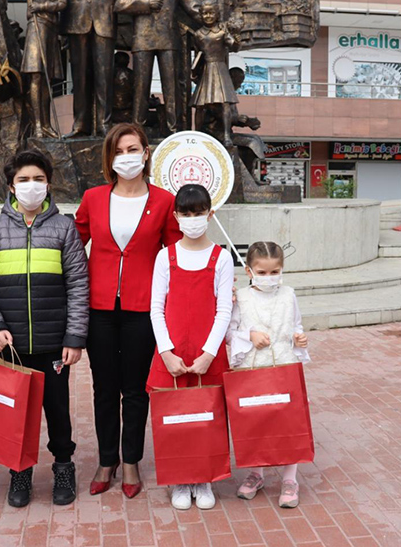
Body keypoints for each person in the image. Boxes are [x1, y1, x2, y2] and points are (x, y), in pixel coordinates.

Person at [0, 150, 89, 508]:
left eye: (38, 178)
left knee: (58, 411)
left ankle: (63, 467)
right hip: (13, 345)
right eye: (23, 180)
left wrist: (74, 337)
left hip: (54, 345)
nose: (31, 186)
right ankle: (19, 471)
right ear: (11, 186)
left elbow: (78, 284)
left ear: (48, 183)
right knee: (16, 412)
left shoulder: (64, 228)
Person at [75, 122, 181, 499]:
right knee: (104, 388)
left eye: (132, 149)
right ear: (109, 158)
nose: (126, 158)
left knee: (135, 390)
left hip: (143, 308)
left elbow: (176, 254)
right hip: (99, 308)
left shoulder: (164, 201)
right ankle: (107, 460)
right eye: (118, 152)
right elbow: (73, 247)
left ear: (146, 153)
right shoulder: (93, 198)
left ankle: (132, 460)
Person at [147, 184, 233, 511]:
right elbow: (156, 308)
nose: (192, 219)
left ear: (210, 215)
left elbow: (224, 310)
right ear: (176, 216)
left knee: (208, 416)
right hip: (172, 354)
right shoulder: (165, 256)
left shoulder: (221, 257)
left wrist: (209, 353)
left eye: (198, 213)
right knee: (175, 417)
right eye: (186, 213)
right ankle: (180, 478)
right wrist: (166, 352)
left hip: (206, 353)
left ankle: (204, 477)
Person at [226, 241, 310, 507]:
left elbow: (296, 324)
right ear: (249, 271)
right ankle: (256, 472)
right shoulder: (242, 297)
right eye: (262, 272)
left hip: (284, 363)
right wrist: (249, 335)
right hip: (252, 366)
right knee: (255, 419)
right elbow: (230, 332)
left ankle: (290, 478)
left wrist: (299, 338)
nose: (269, 277)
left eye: (275, 272)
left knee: (288, 420)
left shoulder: (288, 295)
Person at [115, 0, 200, 134]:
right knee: (140, 88)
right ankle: (138, 129)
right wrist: (146, 3)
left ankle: (174, 131)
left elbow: (192, 6)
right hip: (143, 38)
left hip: (168, 39)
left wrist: (213, 22)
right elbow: (120, 4)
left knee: (172, 88)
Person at [52, 0, 133, 137]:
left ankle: (104, 123)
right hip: (76, 19)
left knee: (104, 76)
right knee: (79, 77)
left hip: (105, 19)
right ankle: (80, 124)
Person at [12, 0, 66, 138]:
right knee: (36, 75)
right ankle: (37, 124)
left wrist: (41, 5)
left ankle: (46, 124)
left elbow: (62, 2)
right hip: (35, 27)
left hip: (51, 28)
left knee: (47, 79)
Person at [191, 0, 240, 148]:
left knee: (225, 103)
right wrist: (195, 70)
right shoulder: (198, 34)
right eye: (205, 13)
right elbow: (198, 54)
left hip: (220, 68)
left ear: (217, 14)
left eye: (211, 13)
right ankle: (197, 133)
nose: (208, 16)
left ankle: (226, 134)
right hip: (206, 69)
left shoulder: (222, 32)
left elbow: (234, 47)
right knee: (200, 104)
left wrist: (235, 34)